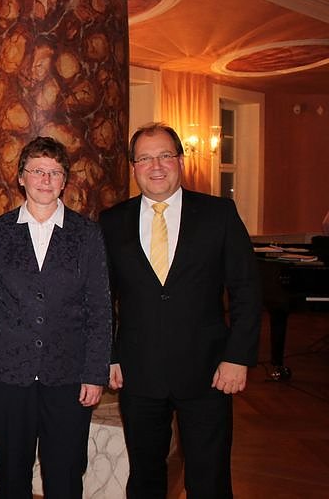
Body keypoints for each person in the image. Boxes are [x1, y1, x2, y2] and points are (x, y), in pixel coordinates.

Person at [99, 122, 261, 499]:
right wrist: (109, 356)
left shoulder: (219, 214)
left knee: (209, 479)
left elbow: (247, 290)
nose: (155, 166)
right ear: (133, 167)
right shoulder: (112, 221)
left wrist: (237, 358)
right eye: (145, 158)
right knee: (145, 477)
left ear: (181, 161)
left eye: (164, 156)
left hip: (208, 372)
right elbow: (102, 297)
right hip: (138, 373)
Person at [0, 137, 112, 498]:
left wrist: (95, 373)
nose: (45, 180)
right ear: (21, 178)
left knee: (65, 474)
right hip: (6, 376)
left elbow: (99, 307)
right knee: (11, 473)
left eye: (55, 172)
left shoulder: (87, 234)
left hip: (67, 376)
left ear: (64, 181)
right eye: (37, 171)